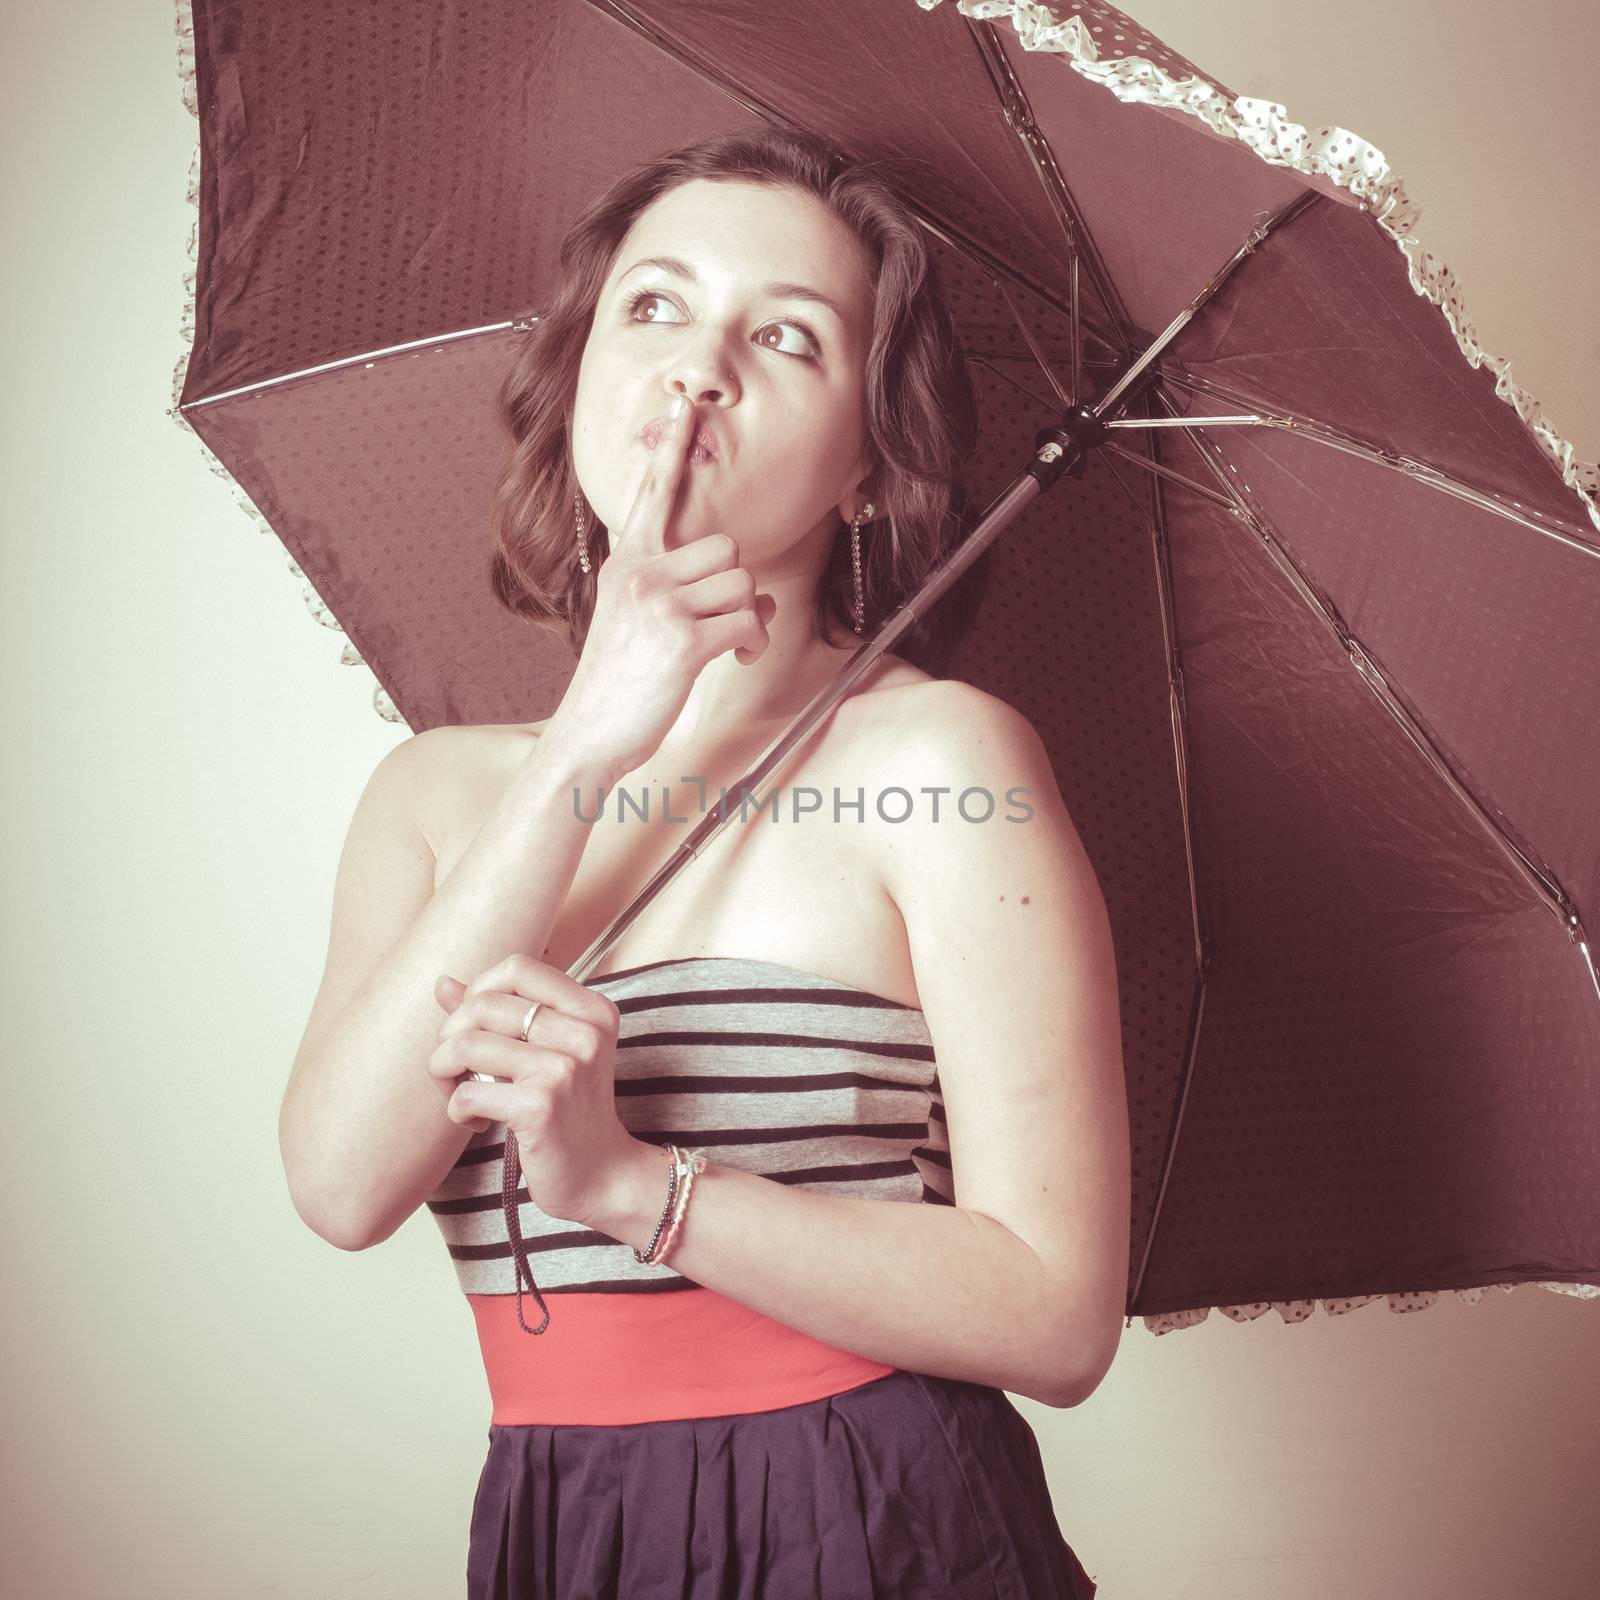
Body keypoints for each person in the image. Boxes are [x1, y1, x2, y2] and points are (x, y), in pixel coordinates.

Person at [281, 127, 1126, 1598]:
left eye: (784, 337)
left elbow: (1057, 1316)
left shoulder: (939, 763)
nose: (698, 369)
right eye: (655, 307)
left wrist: (627, 1185)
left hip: (872, 1514)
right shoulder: (434, 793)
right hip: (563, 1524)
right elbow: (344, 1185)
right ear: (580, 380)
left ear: (867, 464)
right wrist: (582, 750)